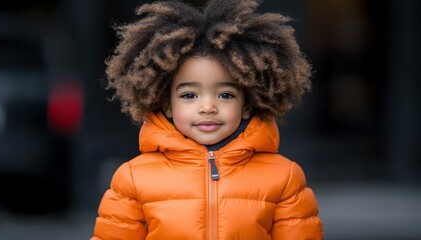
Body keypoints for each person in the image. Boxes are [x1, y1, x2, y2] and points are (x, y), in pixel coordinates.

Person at [91, 0, 323, 239]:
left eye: (225, 95)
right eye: (189, 95)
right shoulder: (132, 179)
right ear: (167, 105)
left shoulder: (284, 178)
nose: (208, 107)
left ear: (246, 105)